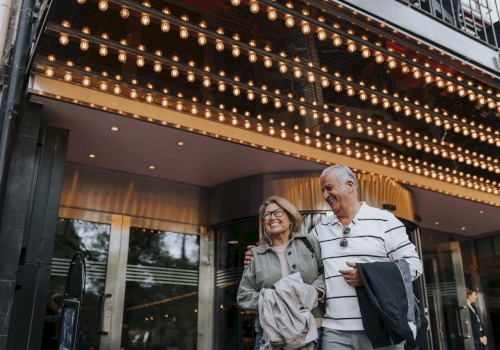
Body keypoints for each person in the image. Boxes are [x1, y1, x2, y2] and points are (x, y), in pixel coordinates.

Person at [245, 165, 424, 349]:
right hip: (333, 332)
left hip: (380, 329)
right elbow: (292, 256)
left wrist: (368, 276)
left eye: (329, 188)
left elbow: (414, 266)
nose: (325, 195)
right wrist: (259, 257)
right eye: (323, 190)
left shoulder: (385, 221)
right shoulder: (319, 231)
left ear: (349, 185)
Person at [237, 195, 325, 350]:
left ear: (290, 217)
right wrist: (273, 300)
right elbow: (244, 295)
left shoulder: (308, 242)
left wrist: (315, 292)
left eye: (278, 212)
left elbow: (325, 273)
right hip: (270, 334)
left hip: (312, 331)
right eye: (267, 215)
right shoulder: (257, 254)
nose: (272, 218)